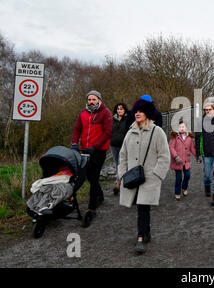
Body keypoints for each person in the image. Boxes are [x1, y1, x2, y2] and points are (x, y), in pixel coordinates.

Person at [118, 98, 170, 254]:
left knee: (142, 207)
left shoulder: (157, 132)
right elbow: (123, 155)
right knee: (140, 207)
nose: (137, 114)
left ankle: (140, 237)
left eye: (141, 111)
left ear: (147, 113)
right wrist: (122, 174)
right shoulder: (130, 132)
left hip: (149, 178)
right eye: (136, 111)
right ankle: (146, 230)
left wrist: (156, 175)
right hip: (132, 177)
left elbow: (164, 156)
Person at [71, 90, 113, 228]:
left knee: (94, 177)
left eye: (94, 99)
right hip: (84, 149)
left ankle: (91, 208)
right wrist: (74, 143)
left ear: (99, 100)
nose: (91, 102)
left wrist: (95, 146)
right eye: (89, 99)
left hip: (99, 150)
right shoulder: (83, 113)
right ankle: (100, 195)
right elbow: (77, 128)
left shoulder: (105, 113)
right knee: (89, 177)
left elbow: (107, 132)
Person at [169, 121, 196, 200]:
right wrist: (176, 156)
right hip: (178, 161)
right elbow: (171, 147)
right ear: (178, 128)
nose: (181, 128)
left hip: (186, 161)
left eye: (183, 127)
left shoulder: (189, 138)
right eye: (180, 127)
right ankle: (177, 192)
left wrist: (197, 156)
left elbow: (192, 148)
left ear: (186, 128)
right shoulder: (175, 137)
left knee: (187, 175)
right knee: (179, 178)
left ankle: (184, 187)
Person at [110, 103, 129, 195]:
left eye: (121, 109)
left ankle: (118, 182)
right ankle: (119, 180)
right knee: (117, 163)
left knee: (121, 163)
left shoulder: (127, 120)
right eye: (118, 109)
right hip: (113, 144)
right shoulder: (112, 119)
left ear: (124, 110)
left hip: (123, 145)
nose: (119, 110)